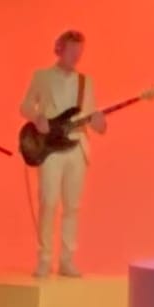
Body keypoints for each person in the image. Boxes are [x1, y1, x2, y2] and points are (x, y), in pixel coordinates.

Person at [21, 29, 102, 278]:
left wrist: (99, 122)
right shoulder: (42, 77)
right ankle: (44, 258)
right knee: (49, 202)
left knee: (72, 206)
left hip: (76, 146)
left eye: (79, 52)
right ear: (59, 50)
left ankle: (67, 259)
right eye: (71, 51)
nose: (76, 56)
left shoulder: (85, 82)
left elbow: (89, 114)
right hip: (51, 149)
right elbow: (25, 106)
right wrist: (38, 118)